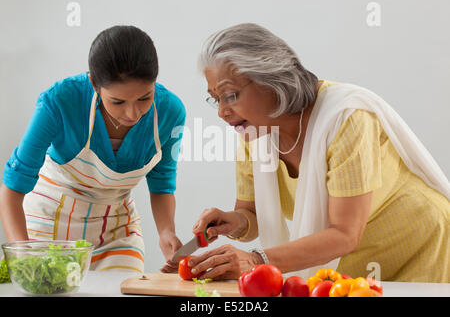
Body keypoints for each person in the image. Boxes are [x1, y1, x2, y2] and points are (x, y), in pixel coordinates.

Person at [189, 23, 450, 282]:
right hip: (343, 259)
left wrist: (257, 261)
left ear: (270, 80)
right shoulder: (253, 133)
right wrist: (234, 222)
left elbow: (345, 234)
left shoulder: (346, 119)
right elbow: (252, 215)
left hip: (418, 243)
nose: (222, 112)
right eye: (216, 98)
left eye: (231, 95)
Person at [0, 25, 186, 273]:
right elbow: (13, 188)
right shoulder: (59, 102)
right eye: (118, 102)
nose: (133, 113)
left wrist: (166, 232)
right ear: (94, 84)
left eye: (144, 97)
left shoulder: (170, 112)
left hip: (115, 232)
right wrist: (23, 254)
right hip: (48, 224)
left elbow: (162, 183)